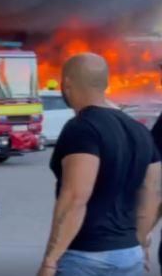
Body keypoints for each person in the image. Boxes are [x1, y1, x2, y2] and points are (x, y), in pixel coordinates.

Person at [40, 54, 160, 276]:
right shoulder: (140, 131)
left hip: (86, 257)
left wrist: (50, 260)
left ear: (67, 83)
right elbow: (152, 193)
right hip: (129, 254)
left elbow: (75, 198)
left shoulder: (81, 128)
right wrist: (140, 244)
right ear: (105, 84)